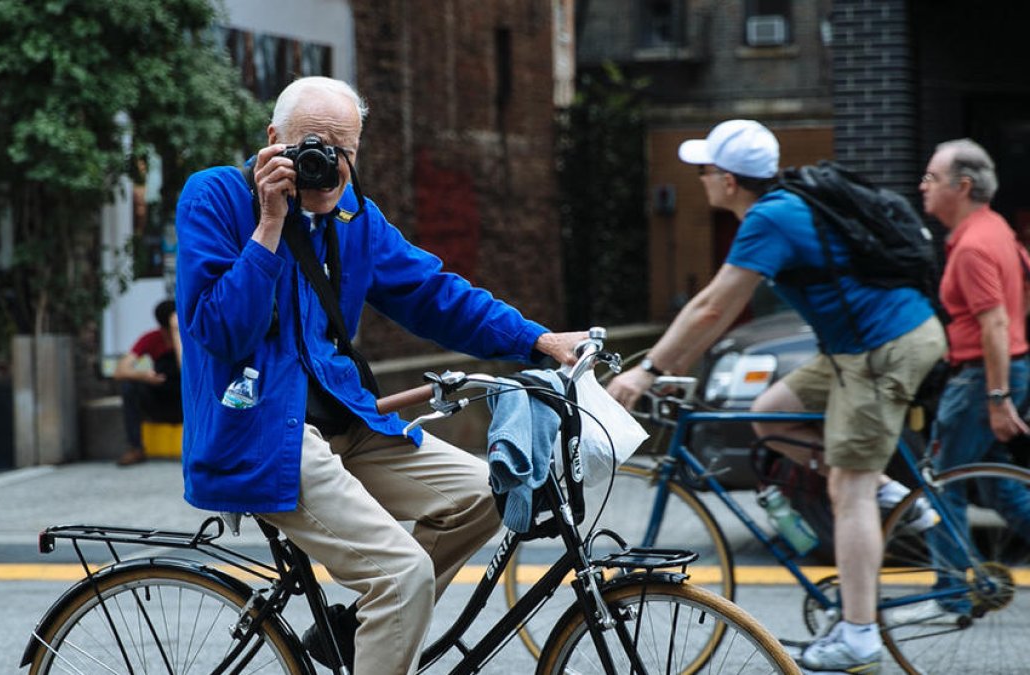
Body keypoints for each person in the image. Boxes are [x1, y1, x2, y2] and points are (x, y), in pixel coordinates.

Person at [173, 75, 584, 675]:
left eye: (344, 152)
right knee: (402, 572)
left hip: (350, 419)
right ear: (273, 139)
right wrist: (267, 225)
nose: (330, 166)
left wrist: (540, 340)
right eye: (314, 147)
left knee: (486, 492)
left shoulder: (352, 219)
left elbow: (436, 294)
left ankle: (378, 626)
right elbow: (216, 332)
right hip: (260, 435)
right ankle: (393, 604)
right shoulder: (215, 196)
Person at [606, 119, 946, 674]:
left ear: (729, 180)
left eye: (705, 170)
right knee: (768, 413)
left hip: (886, 346)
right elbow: (712, 307)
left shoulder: (771, 219)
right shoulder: (780, 206)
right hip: (854, 347)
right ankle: (892, 495)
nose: (700, 179)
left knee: (847, 487)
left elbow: (713, 307)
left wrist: (647, 370)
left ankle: (860, 637)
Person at [892, 138, 1030, 622]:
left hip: (979, 378)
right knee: (994, 485)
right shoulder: (997, 230)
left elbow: (994, 323)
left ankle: (950, 595)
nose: (922, 186)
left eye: (931, 177)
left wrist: (996, 395)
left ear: (963, 186)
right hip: (1001, 369)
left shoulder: (974, 245)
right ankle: (952, 589)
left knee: (942, 482)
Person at [111, 299, 183, 466]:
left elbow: (185, 370)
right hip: (158, 399)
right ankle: (135, 448)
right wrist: (143, 376)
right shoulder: (152, 338)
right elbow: (119, 371)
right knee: (129, 387)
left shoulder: (188, 337)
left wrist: (177, 332)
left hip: (184, 401)